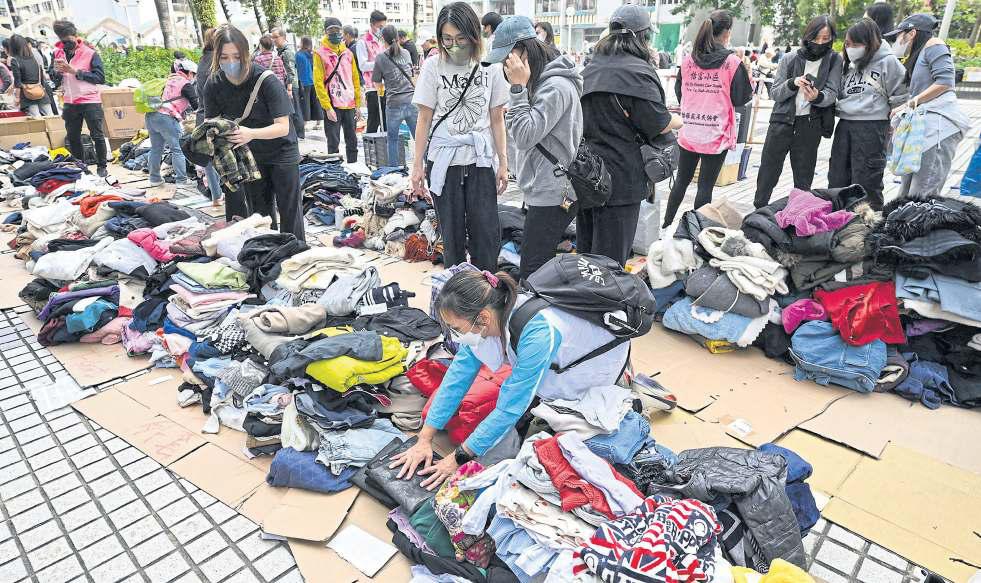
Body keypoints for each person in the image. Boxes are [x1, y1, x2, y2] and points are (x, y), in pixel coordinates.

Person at [389, 269, 631, 488]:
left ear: (482, 318)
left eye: (457, 329)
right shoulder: (490, 316)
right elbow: (456, 379)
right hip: (555, 354)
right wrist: (424, 439)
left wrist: (458, 458)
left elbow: (509, 408)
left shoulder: (537, 333)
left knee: (557, 436)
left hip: (595, 364)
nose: (455, 335)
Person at [410, 2, 508, 272]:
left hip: (480, 159)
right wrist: (416, 165)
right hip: (444, 160)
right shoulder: (433, 66)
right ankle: (457, 295)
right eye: (447, 39)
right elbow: (424, 119)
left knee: (486, 236)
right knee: (451, 239)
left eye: (461, 38)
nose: (454, 45)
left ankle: (485, 292)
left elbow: (497, 119)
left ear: (474, 36)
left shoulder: (491, 67)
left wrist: (503, 162)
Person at [580, 5, 681, 264]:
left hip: (585, 173)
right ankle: (603, 303)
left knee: (586, 254)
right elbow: (658, 124)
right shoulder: (637, 73)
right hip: (622, 178)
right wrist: (678, 120)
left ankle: (581, 299)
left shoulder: (590, 69)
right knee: (611, 260)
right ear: (643, 36)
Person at [483, 16, 581, 282]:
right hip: (544, 186)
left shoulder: (555, 86)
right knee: (538, 260)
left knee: (532, 268)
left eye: (506, 60)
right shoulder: (540, 83)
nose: (504, 69)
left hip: (553, 191)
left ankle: (536, 318)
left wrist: (517, 90)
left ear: (522, 51)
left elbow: (525, 136)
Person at [204, 24, 304, 241]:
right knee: (260, 215)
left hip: (282, 151)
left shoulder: (266, 80)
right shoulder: (214, 84)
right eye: (224, 57)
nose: (231, 63)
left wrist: (251, 133)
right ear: (216, 56)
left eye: (236, 56)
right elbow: (210, 122)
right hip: (248, 156)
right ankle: (266, 256)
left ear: (246, 53)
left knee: (290, 212)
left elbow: (283, 126)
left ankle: (295, 255)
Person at [662, 10, 752, 228]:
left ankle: (666, 224)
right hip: (716, 133)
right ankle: (697, 231)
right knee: (705, 187)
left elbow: (680, 91)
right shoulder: (732, 62)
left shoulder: (687, 61)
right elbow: (742, 98)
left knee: (681, 181)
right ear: (727, 33)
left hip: (690, 130)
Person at [754, 16, 841, 208]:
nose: (820, 43)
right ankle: (758, 211)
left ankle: (798, 217)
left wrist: (817, 97)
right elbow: (775, 93)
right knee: (768, 171)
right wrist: (793, 83)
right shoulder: (790, 58)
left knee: (803, 177)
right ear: (807, 36)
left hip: (810, 124)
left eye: (825, 38)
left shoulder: (834, 59)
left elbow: (832, 92)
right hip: (782, 122)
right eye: (816, 37)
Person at [886, 14, 970, 199]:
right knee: (907, 193)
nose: (897, 41)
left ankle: (921, 227)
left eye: (899, 35)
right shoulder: (921, 52)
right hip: (924, 128)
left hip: (938, 128)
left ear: (913, 32)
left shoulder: (934, 44)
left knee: (923, 193)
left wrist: (909, 104)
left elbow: (945, 81)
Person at [828, 18, 907, 210]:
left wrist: (894, 128)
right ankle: (839, 223)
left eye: (856, 44)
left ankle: (870, 229)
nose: (851, 48)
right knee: (837, 178)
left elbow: (901, 99)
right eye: (847, 44)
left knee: (866, 183)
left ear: (870, 43)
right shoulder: (848, 65)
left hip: (872, 127)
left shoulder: (889, 62)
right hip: (845, 125)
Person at [50, 20, 108, 177]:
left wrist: (75, 71)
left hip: (90, 100)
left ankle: (102, 167)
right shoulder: (57, 53)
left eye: (68, 41)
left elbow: (100, 77)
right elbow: (53, 77)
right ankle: (81, 168)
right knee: (73, 136)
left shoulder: (89, 53)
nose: (65, 45)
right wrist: (56, 72)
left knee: (97, 135)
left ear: (75, 36)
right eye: (62, 41)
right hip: (69, 101)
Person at [315, 17, 363, 163]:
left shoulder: (348, 53)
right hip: (332, 105)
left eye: (338, 30)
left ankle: (353, 169)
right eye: (331, 30)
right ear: (326, 32)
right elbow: (318, 83)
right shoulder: (320, 54)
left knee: (352, 141)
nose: (335, 33)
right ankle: (335, 173)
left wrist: (358, 104)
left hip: (349, 104)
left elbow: (355, 79)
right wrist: (327, 107)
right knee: (333, 143)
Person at [146, 59, 198, 188]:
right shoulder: (185, 84)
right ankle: (181, 181)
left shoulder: (169, 79)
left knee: (156, 148)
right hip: (166, 117)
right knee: (178, 149)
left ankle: (154, 179)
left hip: (151, 116)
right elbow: (196, 104)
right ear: (190, 73)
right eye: (194, 75)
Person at [374, 25, 418, 166]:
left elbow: (377, 82)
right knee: (419, 138)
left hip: (393, 104)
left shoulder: (380, 57)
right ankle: (428, 169)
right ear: (398, 38)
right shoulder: (406, 53)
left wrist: (381, 91)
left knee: (392, 140)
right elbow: (411, 74)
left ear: (383, 40)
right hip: (411, 101)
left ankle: (394, 171)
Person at [196, 28, 223, 206]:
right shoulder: (217, 61)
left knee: (209, 160)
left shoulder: (201, 60)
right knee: (224, 156)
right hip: (216, 116)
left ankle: (216, 196)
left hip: (202, 114)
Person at [270, 27, 305, 139]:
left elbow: (291, 72)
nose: (273, 40)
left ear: (283, 37)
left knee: (295, 110)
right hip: (286, 85)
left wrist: (289, 88)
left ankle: (300, 135)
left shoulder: (287, 52)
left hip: (291, 85)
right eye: (272, 37)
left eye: (276, 37)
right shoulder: (279, 52)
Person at [358, 11, 388, 133]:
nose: (382, 30)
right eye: (380, 27)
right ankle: (371, 149)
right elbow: (363, 65)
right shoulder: (363, 42)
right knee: (373, 122)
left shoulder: (383, 40)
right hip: (372, 87)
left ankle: (386, 150)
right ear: (372, 24)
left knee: (387, 121)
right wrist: (380, 63)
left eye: (383, 27)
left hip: (386, 86)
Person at [8, 35, 53, 116]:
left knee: (36, 120)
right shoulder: (33, 57)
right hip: (40, 90)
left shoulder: (15, 60)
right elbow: (41, 75)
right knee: (51, 117)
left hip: (27, 94)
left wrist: (17, 98)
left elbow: (18, 81)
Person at [296, 37, 324, 131]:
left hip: (303, 81)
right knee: (316, 102)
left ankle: (305, 124)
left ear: (303, 43)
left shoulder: (298, 55)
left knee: (305, 103)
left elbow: (296, 68)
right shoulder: (313, 54)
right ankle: (319, 122)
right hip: (314, 80)